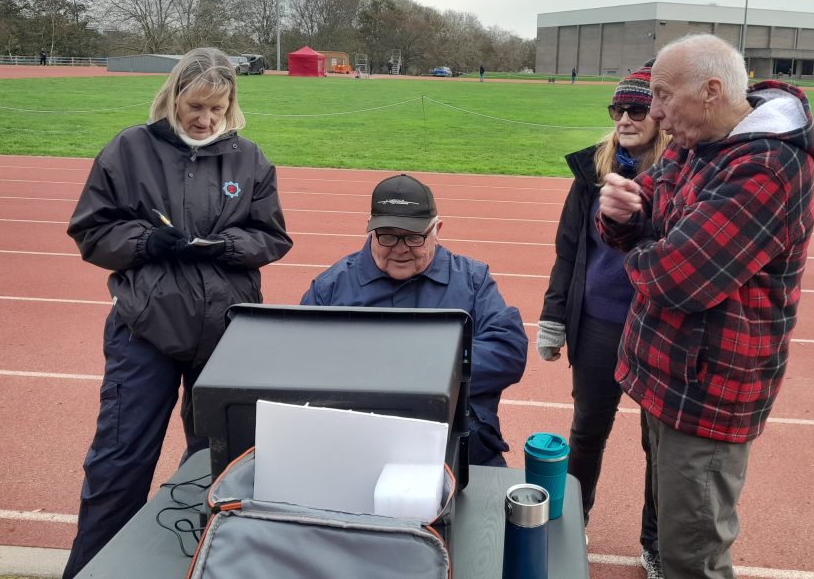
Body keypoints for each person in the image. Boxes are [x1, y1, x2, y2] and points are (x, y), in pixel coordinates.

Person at [597, 34, 814, 579]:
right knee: (675, 533)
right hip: (667, 373)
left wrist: (643, 243)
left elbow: (676, 280)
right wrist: (623, 212)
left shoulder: (767, 167)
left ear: (711, 91)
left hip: (708, 387)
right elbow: (645, 205)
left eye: (662, 97)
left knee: (691, 555)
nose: (654, 114)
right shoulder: (694, 138)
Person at [62, 47, 293, 578]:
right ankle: (92, 569)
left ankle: (203, 565)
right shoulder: (129, 149)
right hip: (144, 330)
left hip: (226, 333)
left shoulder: (249, 159)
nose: (206, 119)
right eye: (196, 105)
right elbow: (91, 230)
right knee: (119, 461)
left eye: (218, 107)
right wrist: (148, 241)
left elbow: (272, 235)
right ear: (172, 97)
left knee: (219, 462)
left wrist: (228, 246)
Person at [537, 62, 669, 578]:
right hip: (596, 323)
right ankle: (574, 522)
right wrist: (552, 317)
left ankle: (655, 542)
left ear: (659, 115)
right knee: (587, 430)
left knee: (657, 441)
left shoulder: (677, 172)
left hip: (655, 325)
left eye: (637, 109)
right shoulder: (591, 169)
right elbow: (569, 249)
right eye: (618, 109)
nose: (626, 118)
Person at [301, 173, 528, 466]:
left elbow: (508, 351)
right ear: (370, 231)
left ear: (437, 230)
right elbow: (303, 360)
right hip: (359, 442)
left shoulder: (473, 280)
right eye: (388, 235)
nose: (399, 248)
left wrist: (419, 365)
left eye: (413, 236)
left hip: (460, 444)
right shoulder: (330, 287)